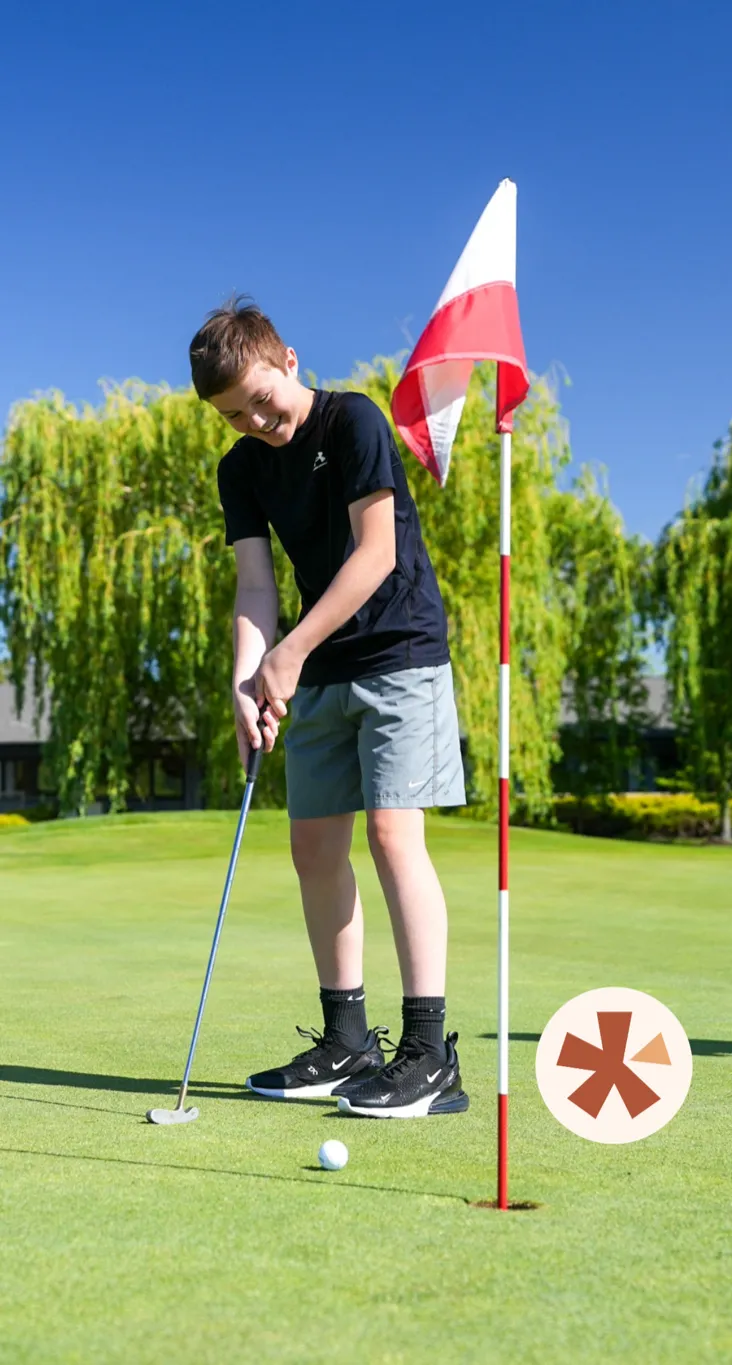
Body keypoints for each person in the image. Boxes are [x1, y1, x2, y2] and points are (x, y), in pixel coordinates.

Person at [189, 297, 469, 1119]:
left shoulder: (353, 422)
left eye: (260, 399)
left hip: (399, 650)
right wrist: (248, 679)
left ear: (289, 360)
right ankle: (346, 1040)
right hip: (317, 664)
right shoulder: (241, 469)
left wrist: (290, 652)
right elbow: (255, 586)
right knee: (313, 846)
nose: (254, 421)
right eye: (233, 414)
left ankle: (429, 1055)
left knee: (391, 834)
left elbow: (377, 554)